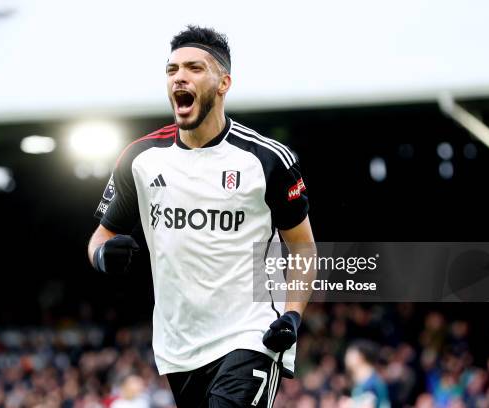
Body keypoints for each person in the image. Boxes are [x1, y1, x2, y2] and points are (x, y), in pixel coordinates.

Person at [88, 25, 314, 408]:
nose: (179, 77)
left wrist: (292, 316)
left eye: (193, 68)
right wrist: (102, 257)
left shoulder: (267, 160)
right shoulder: (140, 159)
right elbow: (99, 237)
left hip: (250, 336)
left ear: (223, 82)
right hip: (178, 348)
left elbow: (303, 247)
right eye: (171, 69)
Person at [343, 340, 390, 408]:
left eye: (350, 353)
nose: (346, 357)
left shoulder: (372, 385)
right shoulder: (362, 383)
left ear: (360, 356)